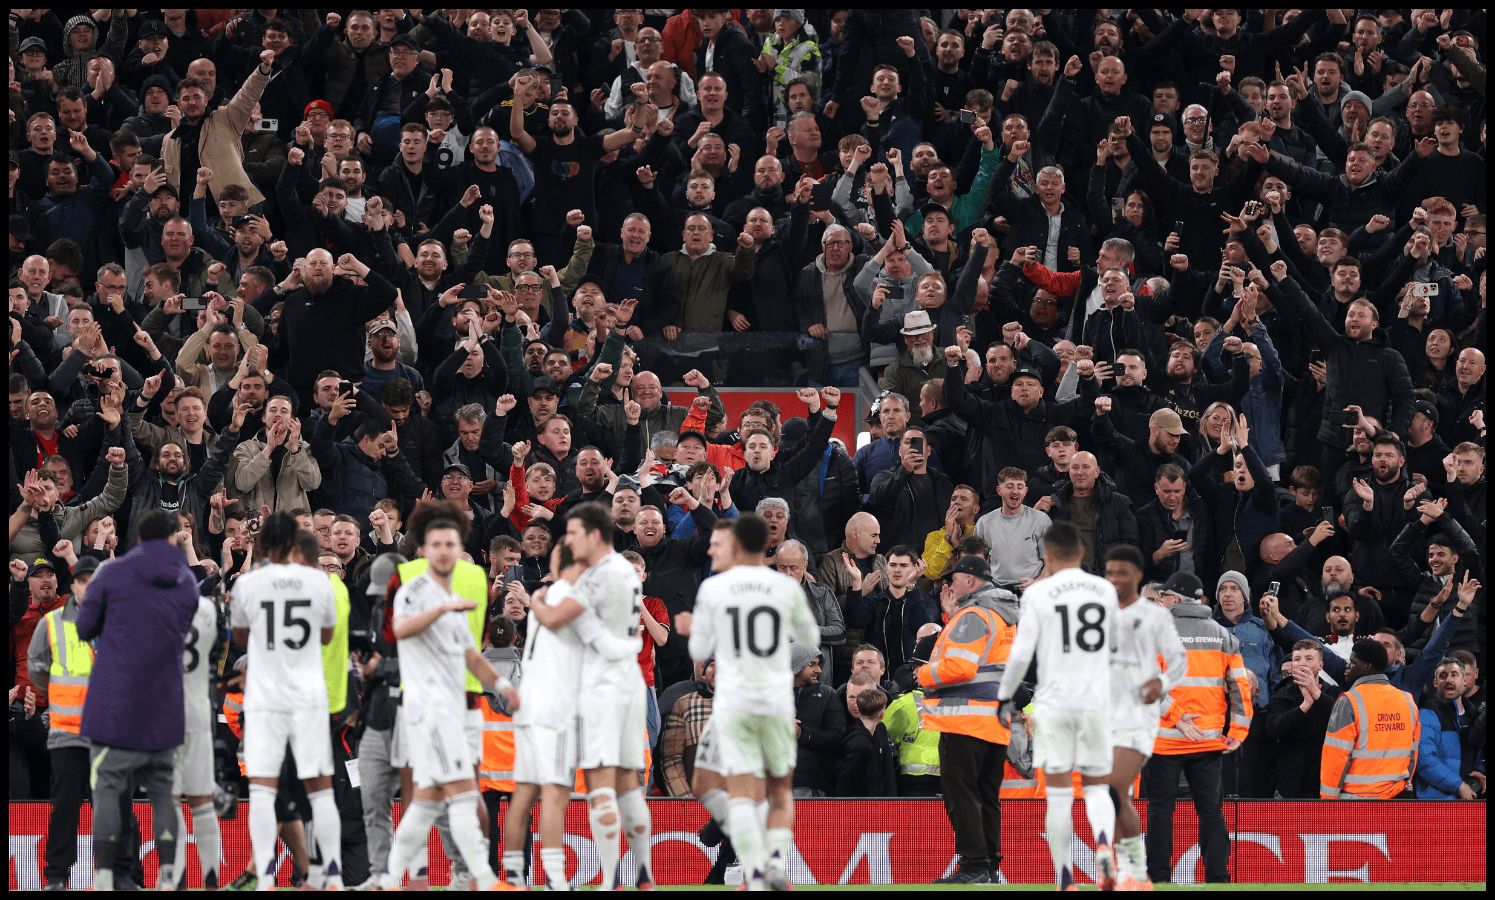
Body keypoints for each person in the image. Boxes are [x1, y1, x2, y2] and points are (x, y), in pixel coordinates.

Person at [378, 518, 518, 891]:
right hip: (430, 707)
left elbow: (470, 656)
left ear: (460, 551)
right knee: (463, 792)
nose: (443, 551)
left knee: (427, 799)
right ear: (423, 550)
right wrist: (440, 613)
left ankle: (390, 879)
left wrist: (505, 686)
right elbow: (401, 628)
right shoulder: (417, 589)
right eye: (435, 544)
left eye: (449, 545)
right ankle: (485, 880)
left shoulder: (447, 594)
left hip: (453, 705)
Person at [689, 514, 821, 891]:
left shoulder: (716, 589)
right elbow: (810, 640)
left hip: (735, 702)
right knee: (778, 790)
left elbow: (699, 649)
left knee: (724, 787)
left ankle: (755, 868)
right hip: (777, 702)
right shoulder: (786, 589)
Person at [75, 508, 198, 891]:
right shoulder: (186, 581)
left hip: (114, 704)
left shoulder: (112, 572)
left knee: (109, 790)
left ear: (139, 538)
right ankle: (168, 878)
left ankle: (109, 876)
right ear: (174, 538)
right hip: (163, 705)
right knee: (163, 794)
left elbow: (83, 627)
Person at [530, 503, 651, 890]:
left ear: (595, 536)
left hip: (603, 687)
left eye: (575, 534)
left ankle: (612, 880)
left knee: (600, 785)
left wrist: (537, 599)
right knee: (628, 783)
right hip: (630, 682)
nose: (568, 541)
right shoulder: (627, 572)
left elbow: (553, 618)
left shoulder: (598, 576)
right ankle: (644, 876)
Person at [997, 523, 1122, 891]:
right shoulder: (1104, 590)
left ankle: (1064, 876)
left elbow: (1020, 654)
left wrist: (1004, 696)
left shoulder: (1038, 594)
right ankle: (1102, 845)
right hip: (1096, 702)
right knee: (1098, 789)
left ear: (1048, 556)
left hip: (1054, 703)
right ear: (1081, 554)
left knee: (1060, 796)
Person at [228, 513, 343, 890]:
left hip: (265, 697)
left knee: (263, 790)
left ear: (262, 545)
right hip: (308, 695)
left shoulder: (248, 584)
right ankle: (334, 877)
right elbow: (326, 636)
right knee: (320, 789)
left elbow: (241, 638)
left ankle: (263, 878)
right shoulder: (319, 581)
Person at [1144, 571, 1253, 885]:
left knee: (1161, 812)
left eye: (1165, 595)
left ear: (1175, 599)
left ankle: (1160, 879)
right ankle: (1218, 878)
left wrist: (1177, 717)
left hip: (1165, 741)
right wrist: (1238, 733)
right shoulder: (1222, 634)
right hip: (1207, 741)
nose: (1162, 600)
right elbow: (1240, 688)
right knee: (1211, 813)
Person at [916, 555, 1020, 884]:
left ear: (972, 581)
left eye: (955, 578)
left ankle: (974, 865)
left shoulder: (973, 615)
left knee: (962, 795)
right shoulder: (1002, 615)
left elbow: (960, 667)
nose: (949, 585)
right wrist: (951, 615)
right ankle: (989, 866)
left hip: (965, 721)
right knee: (987, 797)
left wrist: (923, 673)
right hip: (994, 722)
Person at [1099, 544, 1187, 891]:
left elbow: (1180, 663)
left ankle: (1134, 871)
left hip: (1139, 718)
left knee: (1114, 790)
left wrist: (1161, 683)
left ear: (1136, 576)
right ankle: (1128, 873)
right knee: (1117, 796)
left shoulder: (1156, 618)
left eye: (1122, 572)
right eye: (1111, 572)